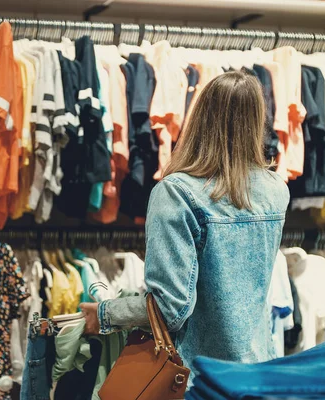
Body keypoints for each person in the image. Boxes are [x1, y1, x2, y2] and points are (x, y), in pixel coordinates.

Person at [80, 71, 290, 382]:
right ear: (258, 120)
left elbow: (170, 308)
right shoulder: (276, 189)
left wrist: (104, 315)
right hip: (258, 369)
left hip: (195, 379)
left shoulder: (177, 193)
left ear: (200, 116)